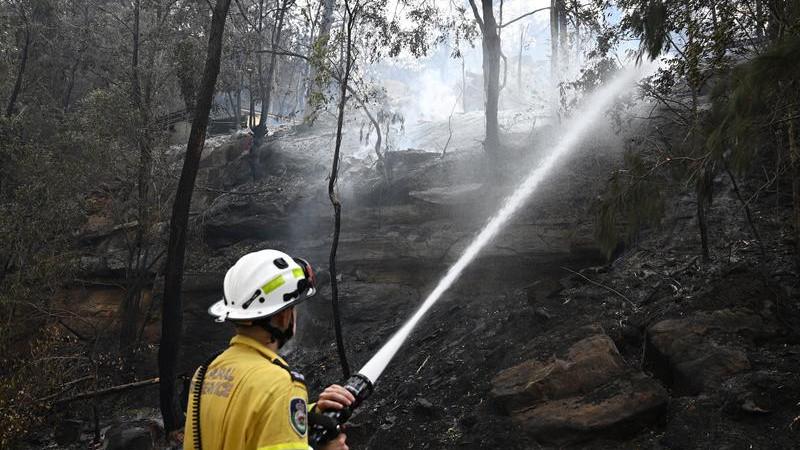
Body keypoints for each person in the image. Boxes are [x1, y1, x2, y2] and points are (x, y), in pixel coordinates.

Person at [184, 249, 354, 450]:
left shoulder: (207, 372)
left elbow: (246, 421)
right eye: (294, 309)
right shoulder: (280, 385)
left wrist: (310, 412)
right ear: (284, 317)